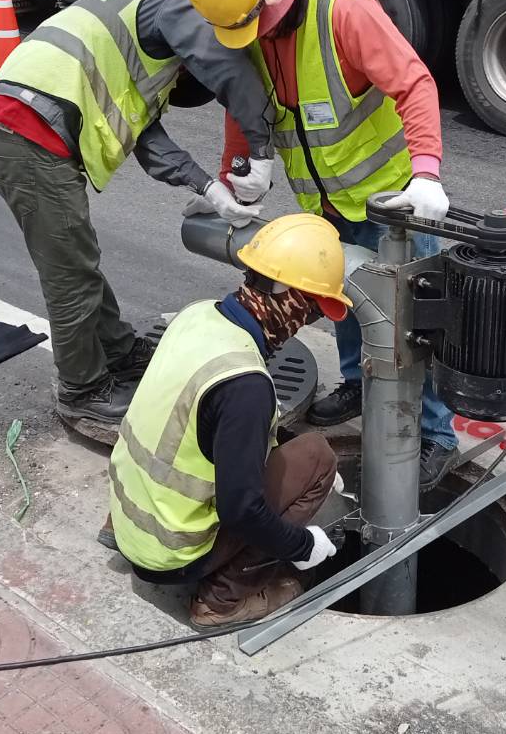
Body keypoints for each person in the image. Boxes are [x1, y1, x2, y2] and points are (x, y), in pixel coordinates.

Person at [180, 0, 461, 490]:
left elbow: (414, 83)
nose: (255, 36)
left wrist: (427, 173)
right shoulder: (248, 28)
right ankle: (357, 383)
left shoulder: (345, 13)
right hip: (324, 204)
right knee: (344, 301)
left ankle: (436, 435)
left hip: (392, 205)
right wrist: (234, 178)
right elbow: (243, 109)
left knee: (410, 325)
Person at [0, 0, 275, 426]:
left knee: (77, 258)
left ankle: (118, 350)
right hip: (23, 129)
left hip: (22, 126)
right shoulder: (179, 3)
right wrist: (261, 151)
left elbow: (145, 137)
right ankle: (81, 389)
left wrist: (208, 188)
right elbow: (230, 69)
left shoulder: (134, 35)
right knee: (69, 272)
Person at [103, 213, 349, 627]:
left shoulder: (198, 316)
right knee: (318, 456)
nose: (305, 324)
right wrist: (303, 546)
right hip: (174, 554)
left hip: (131, 522)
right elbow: (242, 512)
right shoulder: (245, 386)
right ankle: (221, 600)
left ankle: (121, 528)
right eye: (310, 312)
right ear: (288, 295)